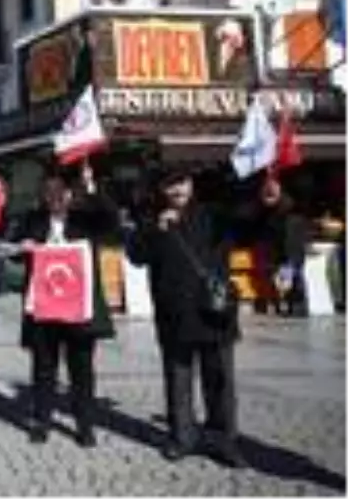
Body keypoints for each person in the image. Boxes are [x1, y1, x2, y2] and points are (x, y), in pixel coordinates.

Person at [126, 168, 245, 468]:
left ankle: (223, 440)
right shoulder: (151, 219)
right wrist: (156, 229)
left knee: (220, 380)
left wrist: (272, 198)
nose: (176, 188)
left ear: (191, 184)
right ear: (162, 189)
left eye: (180, 181)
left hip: (213, 313)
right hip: (174, 315)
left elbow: (251, 221)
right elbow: (136, 256)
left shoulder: (214, 214)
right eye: (169, 183)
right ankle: (183, 437)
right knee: (178, 380)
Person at [15, 162, 115, 447]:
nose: (55, 195)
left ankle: (85, 425)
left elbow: (111, 221)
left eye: (61, 190)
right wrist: (22, 246)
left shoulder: (86, 218)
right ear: (43, 193)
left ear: (71, 193)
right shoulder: (33, 219)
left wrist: (92, 186)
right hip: (44, 310)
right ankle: (42, 422)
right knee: (43, 369)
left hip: (78, 311)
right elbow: (13, 249)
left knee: (81, 369)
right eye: (49, 190)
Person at [251, 174, 308, 317]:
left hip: (290, 250)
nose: (269, 192)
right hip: (275, 250)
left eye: (273, 187)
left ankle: (296, 306)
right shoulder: (265, 207)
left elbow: (292, 234)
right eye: (266, 189)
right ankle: (283, 305)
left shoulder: (289, 207)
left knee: (292, 277)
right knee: (279, 279)